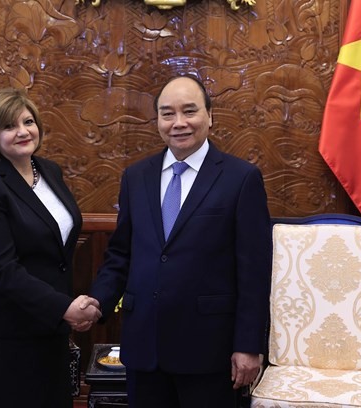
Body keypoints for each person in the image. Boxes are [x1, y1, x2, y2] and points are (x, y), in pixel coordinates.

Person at [87, 75, 272, 407]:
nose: (179, 123)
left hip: (208, 350)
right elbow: (120, 255)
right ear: (157, 120)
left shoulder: (241, 179)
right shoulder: (136, 177)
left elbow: (254, 271)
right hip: (145, 346)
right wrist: (97, 302)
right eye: (167, 113)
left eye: (190, 111)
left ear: (210, 116)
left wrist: (248, 344)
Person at [0, 88, 101, 408]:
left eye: (28, 121)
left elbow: (57, 249)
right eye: (9, 126)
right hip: (0, 332)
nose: (22, 132)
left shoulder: (49, 171)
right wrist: (64, 307)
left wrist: (64, 307)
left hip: (46, 328)